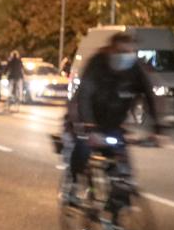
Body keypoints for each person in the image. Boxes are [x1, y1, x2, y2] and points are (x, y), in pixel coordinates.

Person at [64, 32, 162, 210]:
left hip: (113, 124)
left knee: (123, 172)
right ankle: (74, 185)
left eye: (130, 52)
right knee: (83, 147)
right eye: (122, 51)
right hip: (87, 119)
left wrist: (158, 129)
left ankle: (115, 214)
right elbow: (84, 97)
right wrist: (90, 128)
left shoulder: (134, 69)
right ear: (111, 50)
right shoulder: (97, 65)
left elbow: (149, 95)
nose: (126, 56)